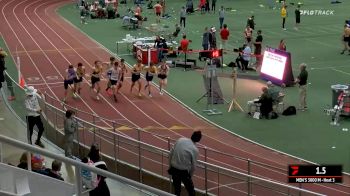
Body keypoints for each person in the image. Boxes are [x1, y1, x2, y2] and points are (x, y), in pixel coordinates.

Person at [168, 130, 202, 196]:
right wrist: (190, 176)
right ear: (199, 140)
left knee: (177, 189)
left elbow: (170, 153)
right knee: (191, 191)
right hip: (183, 172)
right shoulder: (195, 149)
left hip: (174, 168)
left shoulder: (180, 140)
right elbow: (193, 166)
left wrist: (170, 166)